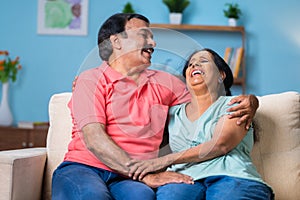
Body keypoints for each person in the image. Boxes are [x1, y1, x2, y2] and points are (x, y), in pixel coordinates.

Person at [52, 13, 259, 200]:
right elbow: (94, 139)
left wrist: (252, 102)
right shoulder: (90, 80)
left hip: (130, 179)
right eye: (144, 35)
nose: (153, 42)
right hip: (85, 167)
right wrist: (147, 173)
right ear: (116, 41)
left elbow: (207, 101)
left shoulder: (167, 83)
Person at [127, 48, 274, 199]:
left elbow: (220, 145)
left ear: (221, 75)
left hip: (232, 176)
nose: (194, 66)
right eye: (190, 65)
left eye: (203, 61)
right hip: (182, 179)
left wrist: (166, 160)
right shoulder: (171, 113)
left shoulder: (236, 104)